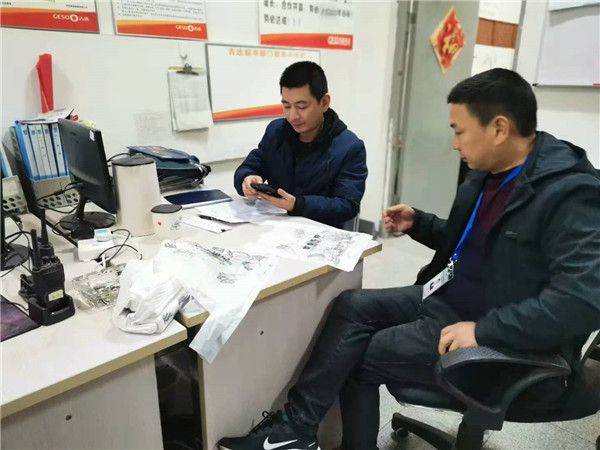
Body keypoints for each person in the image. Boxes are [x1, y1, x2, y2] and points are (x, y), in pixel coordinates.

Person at [219, 69, 600, 450]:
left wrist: (483, 332)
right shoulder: (492, 171)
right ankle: (296, 432)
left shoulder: (569, 193)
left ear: (499, 129)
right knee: (351, 306)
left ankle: (312, 436)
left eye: (460, 131)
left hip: (499, 336)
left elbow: (584, 301)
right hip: (452, 297)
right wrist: (421, 223)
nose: (454, 143)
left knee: (357, 356)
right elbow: (479, 241)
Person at [233, 61, 367, 229]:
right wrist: (246, 179)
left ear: (324, 103)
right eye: (286, 106)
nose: (292, 116)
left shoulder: (350, 147)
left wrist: (297, 205)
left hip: (319, 232)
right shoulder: (276, 132)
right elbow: (250, 166)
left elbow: (347, 205)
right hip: (274, 227)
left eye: (302, 107)